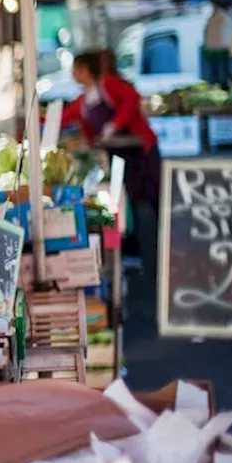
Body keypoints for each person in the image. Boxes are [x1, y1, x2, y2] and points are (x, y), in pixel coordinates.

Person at [60, 51, 163, 311]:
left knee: (153, 203)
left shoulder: (108, 85)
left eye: (76, 68)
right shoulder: (84, 100)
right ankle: (142, 257)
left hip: (141, 152)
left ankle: (163, 257)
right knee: (135, 206)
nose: (73, 74)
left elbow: (132, 99)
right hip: (120, 157)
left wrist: (114, 124)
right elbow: (65, 117)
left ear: (86, 69)